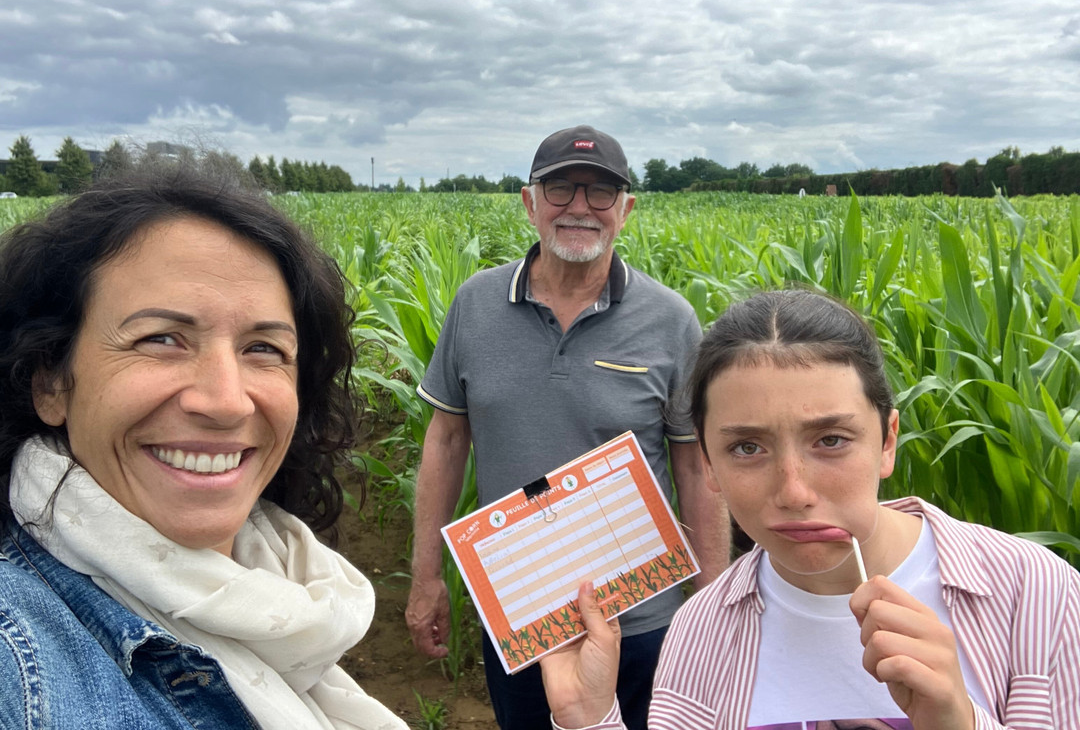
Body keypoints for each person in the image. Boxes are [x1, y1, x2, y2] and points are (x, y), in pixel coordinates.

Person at [540, 289, 1080, 730]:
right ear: (708, 463)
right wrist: (587, 719)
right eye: (747, 448)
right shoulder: (699, 632)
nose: (794, 492)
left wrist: (960, 723)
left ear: (888, 441)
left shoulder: (1034, 593)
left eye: (831, 440)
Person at [0, 168, 408, 730]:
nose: (227, 402)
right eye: (161, 339)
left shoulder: (291, 590)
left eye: (263, 348)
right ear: (50, 381)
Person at [406, 125, 730, 730]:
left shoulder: (671, 320)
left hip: (640, 616)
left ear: (625, 211)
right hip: (521, 613)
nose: (580, 206)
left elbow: (695, 468)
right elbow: (446, 442)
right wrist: (426, 576)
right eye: (560, 189)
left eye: (600, 192)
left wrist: (713, 603)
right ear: (529, 203)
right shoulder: (475, 305)